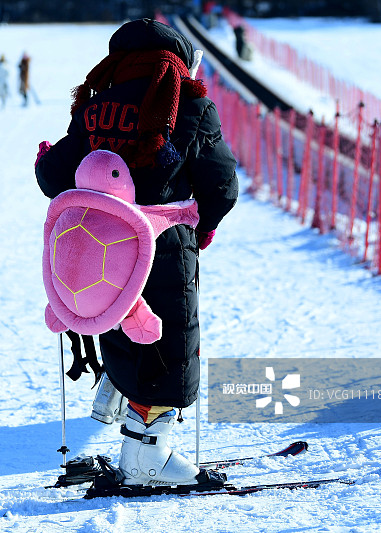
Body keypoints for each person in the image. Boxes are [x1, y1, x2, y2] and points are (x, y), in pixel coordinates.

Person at [34, 19, 238, 486]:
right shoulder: (190, 107)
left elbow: (53, 179)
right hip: (164, 246)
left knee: (127, 333)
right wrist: (197, 229)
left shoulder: (96, 107)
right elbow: (222, 184)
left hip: (100, 252)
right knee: (169, 345)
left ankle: (119, 399)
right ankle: (147, 456)